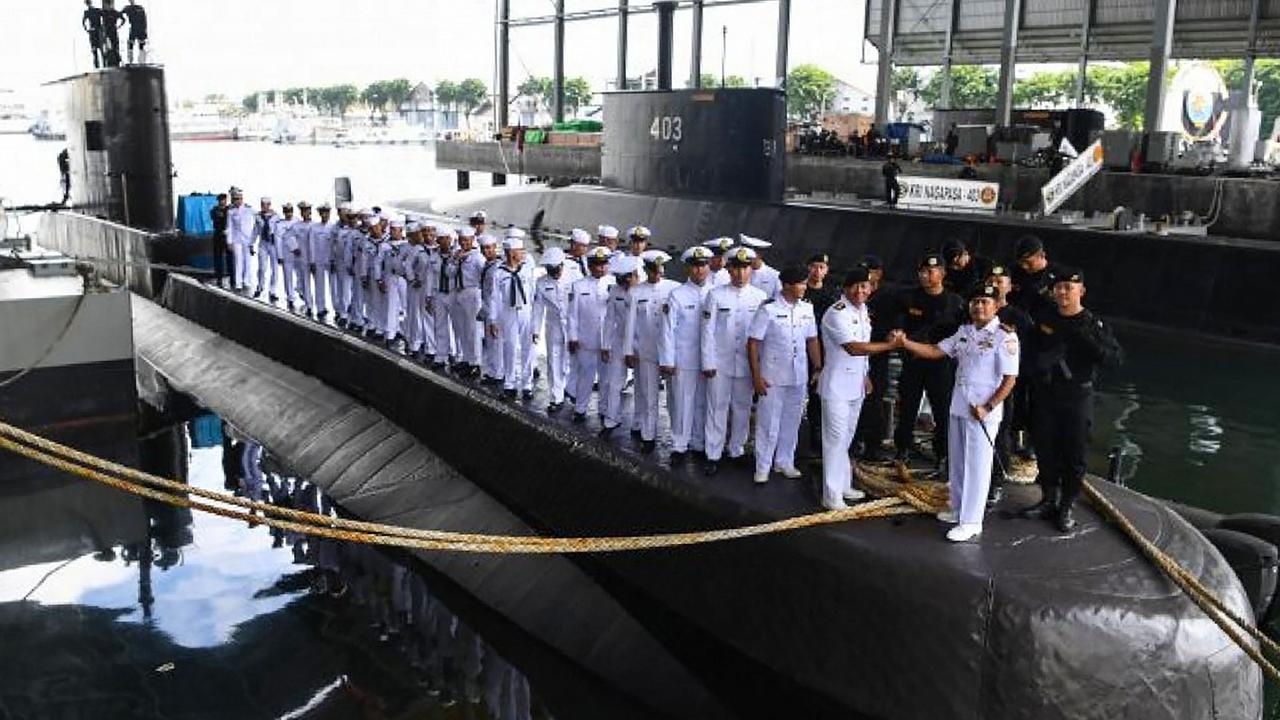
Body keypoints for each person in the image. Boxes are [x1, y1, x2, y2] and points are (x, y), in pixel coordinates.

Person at [897, 284, 1019, 542]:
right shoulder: (964, 332)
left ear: (997, 306)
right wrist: (905, 342)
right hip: (960, 405)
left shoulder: (1004, 337)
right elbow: (935, 351)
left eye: (985, 302)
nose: (979, 306)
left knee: (977, 465)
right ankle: (958, 508)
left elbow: (1009, 379)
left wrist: (989, 406)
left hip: (982, 411)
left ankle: (972, 520)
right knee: (959, 461)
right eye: (975, 301)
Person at [1018, 268, 1122, 533]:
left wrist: (1087, 342)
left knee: (1074, 452)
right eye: (1059, 287)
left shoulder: (1093, 324)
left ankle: (1067, 504)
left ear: (1081, 291)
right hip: (1046, 394)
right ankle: (1049, 497)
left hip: (1076, 396)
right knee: (1044, 447)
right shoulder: (1044, 319)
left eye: (1069, 288)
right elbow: (1027, 354)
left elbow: (1114, 359)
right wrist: (1037, 368)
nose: (1063, 292)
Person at [818, 267, 900, 510]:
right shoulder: (837, 313)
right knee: (834, 441)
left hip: (855, 386)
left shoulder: (862, 310)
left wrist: (865, 375)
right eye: (855, 286)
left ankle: (843, 485)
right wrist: (888, 346)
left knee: (846, 438)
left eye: (865, 286)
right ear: (845, 288)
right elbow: (854, 348)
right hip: (836, 386)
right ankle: (831, 495)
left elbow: (861, 352)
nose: (860, 291)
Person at [747, 266, 820, 484]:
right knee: (768, 422)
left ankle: (784, 461)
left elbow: (812, 339)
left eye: (805, 283)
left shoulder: (807, 309)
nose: (804, 287)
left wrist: (818, 366)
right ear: (787, 285)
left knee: (792, 420)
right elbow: (752, 343)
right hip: (773, 376)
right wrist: (756, 376)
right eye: (800, 283)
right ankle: (763, 466)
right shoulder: (768, 309)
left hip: (798, 375)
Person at [701, 247, 768, 476]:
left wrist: (759, 367)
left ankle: (736, 449)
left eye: (745, 268)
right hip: (720, 362)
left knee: (742, 407)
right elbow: (707, 332)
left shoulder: (759, 297)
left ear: (751, 269)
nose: (740, 274)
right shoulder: (716, 295)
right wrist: (708, 361)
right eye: (736, 269)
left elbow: (762, 337)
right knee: (716, 407)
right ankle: (713, 452)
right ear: (729, 269)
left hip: (746, 365)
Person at [893, 253, 965, 466]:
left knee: (942, 411)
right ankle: (902, 448)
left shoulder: (954, 302)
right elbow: (900, 327)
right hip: (913, 361)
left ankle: (943, 452)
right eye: (922, 272)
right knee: (907, 408)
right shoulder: (909, 298)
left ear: (942, 273)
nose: (924, 276)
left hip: (941, 365)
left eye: (930, 272)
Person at [659, 246, 715, 462]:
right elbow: (667, 331)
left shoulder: (716, 293)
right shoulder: (677, 295)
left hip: (708, 360)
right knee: (683, 402)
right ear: (689, 269)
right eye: (695, 266)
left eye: (703, 266)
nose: (699, 270)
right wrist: (667, 360)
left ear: (708, 267)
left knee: (703, 402)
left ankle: (699, 442)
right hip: (684, 359)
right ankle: (680, 445)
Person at [985, 263, 1033, 505]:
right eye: (991, 281)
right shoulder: (977, 313)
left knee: (1000, 432)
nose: (994, 285)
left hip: (1003, 384)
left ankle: (996, 480)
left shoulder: (1018, 318)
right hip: (976, 383)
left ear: (1009, 286)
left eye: (999, 281)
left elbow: (1026, 353)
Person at [625, 250, 679, 453]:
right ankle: (648, 436)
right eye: (654, 270)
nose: (658, 274)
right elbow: (630, 324)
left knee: (675, 397)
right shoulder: (636, 292)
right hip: (646, 350)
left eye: (661, 270)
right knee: (648, 395)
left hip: (669, 353)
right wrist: (628, 350)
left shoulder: (674, 289)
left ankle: (679, 439)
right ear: (647, 270)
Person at [567, 246, 616, 423]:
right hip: (585, 340)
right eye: (597, 264)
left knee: (606, 379)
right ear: (590, 265)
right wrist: (572, 337)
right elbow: (572, 315)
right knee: (585, 376)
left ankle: (603, 410)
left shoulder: (614, 284)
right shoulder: (579, 286)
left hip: (608, 341)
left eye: (604, 264)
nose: (601, 268)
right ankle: (580, 409)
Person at [853, 254, 895, 461]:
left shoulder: (887, 296)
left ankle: (873, 444)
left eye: (870, 271)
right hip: (856, 352)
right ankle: (855, 440)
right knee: (855, 397)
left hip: (878, 353)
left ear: (878, 273)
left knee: (875, 398)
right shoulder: (855, 294)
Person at [490, 234, 537, 400]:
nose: (523, 253)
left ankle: (527, 385)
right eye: (520, 251)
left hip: (526, 310)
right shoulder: (499, 273)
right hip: (508, 312)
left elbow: (533, 293)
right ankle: (509, 384)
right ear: (511, 253)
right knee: (509, 347)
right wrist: (494, 320)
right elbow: (495, 298)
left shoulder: (527, 269)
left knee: (528, 348)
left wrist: (535, 318)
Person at [598, 254, 640, 437]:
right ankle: (611, 420)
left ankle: (640, 425)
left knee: (643, 387)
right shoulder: (615, 291)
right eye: (620, 280)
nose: (622, 284)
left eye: (625, 279)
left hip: (642, 342)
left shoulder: (645, 290)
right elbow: (609, 319)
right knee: (613, 382)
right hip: (620, 340)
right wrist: (605, 344)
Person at [802, 253, 837, 455]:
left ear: (826, 270)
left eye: (822, 267)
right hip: (799, 348)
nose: (817, 271)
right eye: (814, 267)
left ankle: (815, 436)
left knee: (817, 394)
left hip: (820, 349)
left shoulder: (830, 296)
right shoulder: (800, 290)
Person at [532, 247, 572, 412]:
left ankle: (571, 388)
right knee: (554, 360)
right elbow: (538, 307)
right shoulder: (541, 282)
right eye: (551, 270)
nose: (555, 273)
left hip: (572, 324)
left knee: (572, 359)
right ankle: (557, 397)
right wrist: (535, 330)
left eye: (557, 269)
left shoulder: (574, 278)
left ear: (562, 266)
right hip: (553, 324)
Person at [451, 228, 486, 376]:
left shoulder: (478, 257)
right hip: (459, 292)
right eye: (461, 240)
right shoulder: (457, 255)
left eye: (466, 240)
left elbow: (484, 278)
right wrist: (455, 261)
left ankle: (475, 363)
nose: (464, 243)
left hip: (472, 292)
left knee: (473, 330)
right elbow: (449, 273)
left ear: (472, 240)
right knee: (462, 329)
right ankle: (466, 359)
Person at [1008, 234, 1061, 319]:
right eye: (1020, 262)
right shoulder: (1013, 271)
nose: (1024, 266)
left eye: (1028, 262)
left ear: (1042, 255)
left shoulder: (1058, 275)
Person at [429, 228, 459, 367]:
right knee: (439, 325)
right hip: (439, 293)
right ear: (438, 241)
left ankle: (458, 355)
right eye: (442, 239)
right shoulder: (434, 256)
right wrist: (428, 297)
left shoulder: (456, 255)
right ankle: (441, 355)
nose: (446, 242)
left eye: (448, 239)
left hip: (453, 293)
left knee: (457, 325)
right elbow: (430, 277)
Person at [479, 233, 505, 384]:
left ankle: (498, 373)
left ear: (495, 248)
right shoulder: (488, 265)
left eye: (489, 248)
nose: (486, 251)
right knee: (490, 342)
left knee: (496, 341)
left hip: (496, 309)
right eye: (483, 249)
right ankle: (493, 370)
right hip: (487, 306)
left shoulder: (498, 268)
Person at [225, 188, 256, 292]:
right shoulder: (231, 212)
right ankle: (238, 283)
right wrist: (229, 242)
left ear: (242, 199)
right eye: (236, 199)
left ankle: (246, 280)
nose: (238, 201)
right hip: (236, 239)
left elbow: (259, 217)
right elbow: (229, 227)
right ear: (233, 200)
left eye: (239, 199)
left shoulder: (249, 209)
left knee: (247, 260)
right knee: (238, 261)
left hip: (247, 239)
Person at [251, 197, 279, 301]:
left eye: (266, 204)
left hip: (273, 244)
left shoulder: (276, 216)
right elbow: (255, 231)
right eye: (262, 204)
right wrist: (251, 244)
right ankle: (260, 286)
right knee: (262, 268)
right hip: (263, 244)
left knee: (275, 269)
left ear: (269, 204)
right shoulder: (258, 217)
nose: (264, 206)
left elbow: (279, 232)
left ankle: (272, 291)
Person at [741, 234, 781, 299]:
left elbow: (778, 300)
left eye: (749, 254)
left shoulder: (775, 276)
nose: (746, 257)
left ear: (760, 254)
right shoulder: (736, 272)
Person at [209, 193, 229, 287]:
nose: (222, 201)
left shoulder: (229, 210)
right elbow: (216, 218)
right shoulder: (214, 210)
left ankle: (231, 277)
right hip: (218, 235)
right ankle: (219, 278)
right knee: (218, 257)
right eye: (221, 200)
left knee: (229, 257)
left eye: (224, 200)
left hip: (227, 235)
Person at [121, 0, 147, 64]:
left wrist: (145, 30)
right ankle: (130, 61)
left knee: (141, 45)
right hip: (134, 27)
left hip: (140, 28)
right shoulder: (127, 8)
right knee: (130, 44)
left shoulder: (140, 8)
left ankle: (142, 61)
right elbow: (119, 14)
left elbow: (144, 20)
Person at [99, 0, 124, 67]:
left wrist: (118, 26)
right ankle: (109, 62)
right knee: (109, 47)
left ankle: (116, 62)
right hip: (107, 33)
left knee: (115, 46)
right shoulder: (103, 12)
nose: (108, 6)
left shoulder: (114, 12)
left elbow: (123, 19)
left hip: (113, 31)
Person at [82, 0, 104, 69]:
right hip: (94, 31)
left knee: (101, 49)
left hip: (98, 31)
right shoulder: (88, 12)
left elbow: (104, 17)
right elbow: (83, 22)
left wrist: (87, 29)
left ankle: (102, 65)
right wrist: (87, 29)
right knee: (95, 50)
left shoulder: (97, 10)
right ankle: (97, 66)